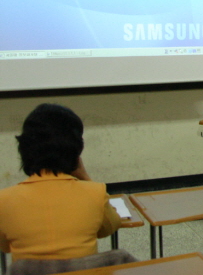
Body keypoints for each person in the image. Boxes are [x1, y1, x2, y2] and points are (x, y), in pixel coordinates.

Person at [0, 103, 121, 261]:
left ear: (25, 149)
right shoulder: (95, 193)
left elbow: (5, 246)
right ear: (76, 150)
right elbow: (110, 226)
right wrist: (85, 177)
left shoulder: (4, 200)